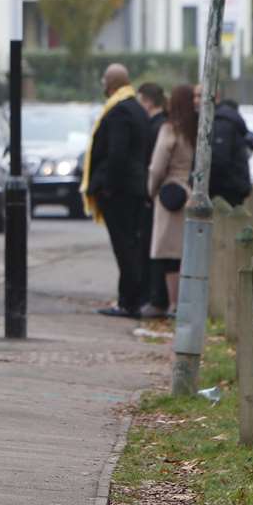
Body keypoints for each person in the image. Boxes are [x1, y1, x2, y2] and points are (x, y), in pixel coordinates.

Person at [82, 63, 150, 318]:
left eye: (104, 81)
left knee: (125, 247)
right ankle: (130, 298)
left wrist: (108, 187)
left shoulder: (119, 112)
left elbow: (117, 154)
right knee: (130, 244)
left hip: (120, 191)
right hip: (133, 187)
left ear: (111, 84)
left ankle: (129, 302)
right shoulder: (136, 108)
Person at [147, 83, 196, 315]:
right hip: (192, 193)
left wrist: (151, 189)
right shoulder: (198, 129)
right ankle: (187, 302)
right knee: (186, 252)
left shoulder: (170, 129)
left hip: (171, 195)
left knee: (169, 254)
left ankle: (174, 304)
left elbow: (157, 167)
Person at [136, 83, 169, 317]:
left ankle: (156, 298)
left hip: (160, 195)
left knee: (157, 247)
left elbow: (155, 166)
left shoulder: (156, 127)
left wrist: (149, 191)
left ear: (147, 101)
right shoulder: (163, 125)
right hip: (166, 194)